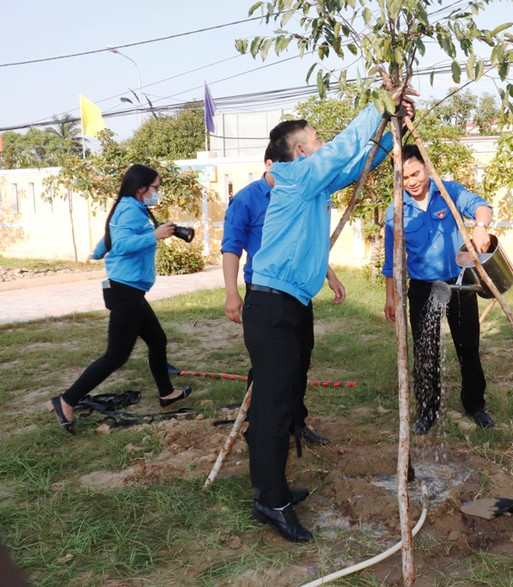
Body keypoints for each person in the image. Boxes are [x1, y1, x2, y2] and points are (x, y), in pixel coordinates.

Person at [242, 91, 415, 543]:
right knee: (276, 408)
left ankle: (268, 487)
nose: (323, 143)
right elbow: (341, 151)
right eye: (315, 139)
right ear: (300, 151)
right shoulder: (295, 176)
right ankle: (271, 502)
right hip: (272, 305)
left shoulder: (311, 181)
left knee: (278, 399)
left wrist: (389, 129)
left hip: (291, 303)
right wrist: (380, 104)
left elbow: (354, 163)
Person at [46, 164, 192, 434]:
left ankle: (167, 394)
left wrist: (99, 252)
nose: (157, 193)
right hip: (125, 290)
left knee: (157, 340)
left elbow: (112, 239)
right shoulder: (129, 209)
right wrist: (154, 235)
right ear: (141, 188)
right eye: (155, 188)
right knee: (116, 355)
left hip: (130, 289)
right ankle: (66, 400)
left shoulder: (130, 207)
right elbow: (123, 245)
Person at [220, 142, 331, 446]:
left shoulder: (300, 192)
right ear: (271, 164)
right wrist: (231, 293)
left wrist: (330, 276)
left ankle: (296, 421)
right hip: (265, 293)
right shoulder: (247, 200)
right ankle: (260, 428)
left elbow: (309, 241)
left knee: (300, 359)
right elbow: (231, 247)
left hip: (297, 293)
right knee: (270, 369)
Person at [382, 144, 495, 435]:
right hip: (423, 289)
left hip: (459, 285)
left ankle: (475, 405)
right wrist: (390, 298)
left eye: (416, 173)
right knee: (425, 351)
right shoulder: (395, 210)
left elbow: (482, 206)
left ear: (427, 168)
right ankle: (426, 411)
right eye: (404, 178)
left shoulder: (449, 192)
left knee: (468, 348)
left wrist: (481, 226)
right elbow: (392, 261)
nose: (412, 181)